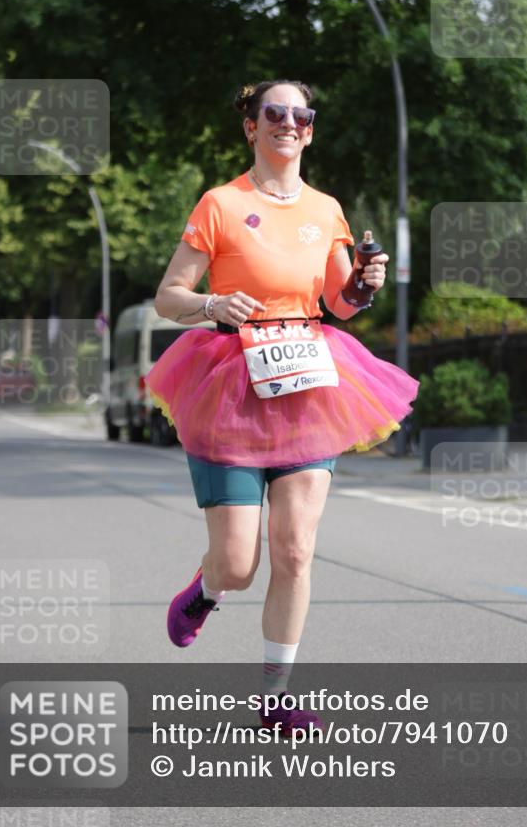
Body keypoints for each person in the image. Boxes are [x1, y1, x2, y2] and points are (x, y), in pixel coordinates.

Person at [147, 79, 419, 735]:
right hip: (229, 383)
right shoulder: (219, 203)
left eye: (301, 115)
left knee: (295, 550)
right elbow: (168, 296)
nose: (288, 124)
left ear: (310, 129)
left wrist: (363, 284)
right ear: (251, 126)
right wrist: (211, 304)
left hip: (306, 375)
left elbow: (338, 303)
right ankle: (207, 589)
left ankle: (275, 696)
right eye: (275, 113)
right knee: (240, 564)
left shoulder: (326, 209)